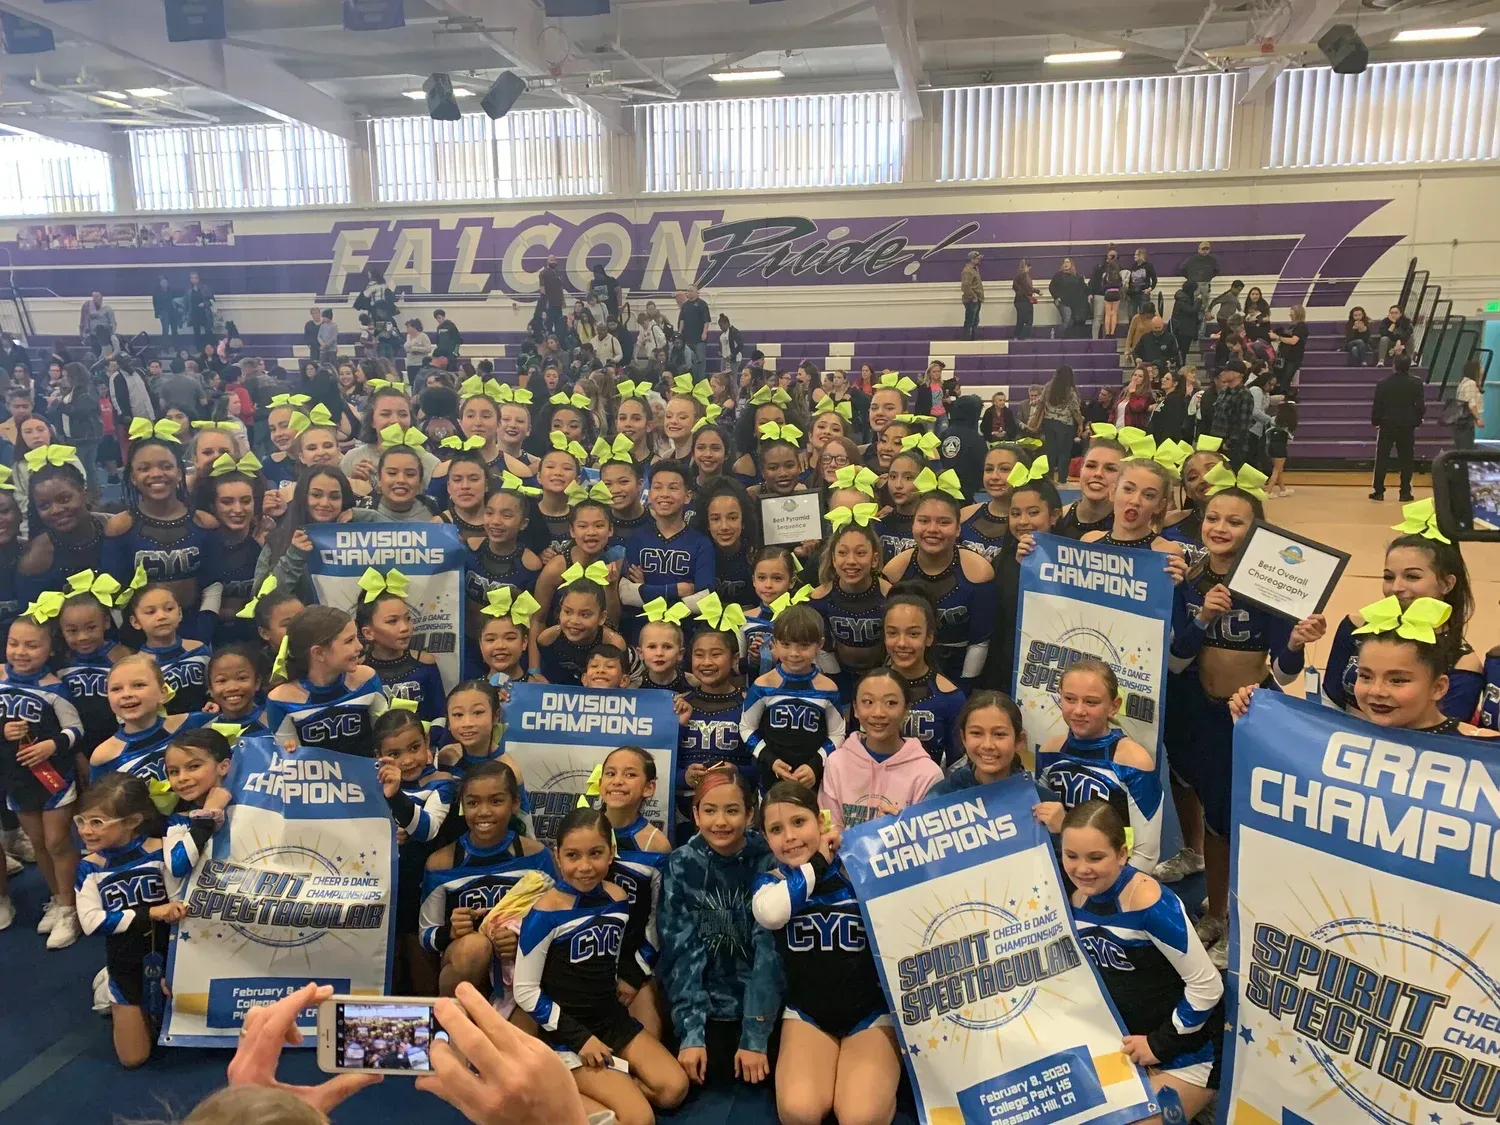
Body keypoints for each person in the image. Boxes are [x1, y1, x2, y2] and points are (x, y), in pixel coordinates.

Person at [1063, 800, 1223, 1122]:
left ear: (1122, 854)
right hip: (1127, 1043)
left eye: (1096, 857)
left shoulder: (1152, 904)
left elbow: (1207, 986)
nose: (1082, 868)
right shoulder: (1075, 897)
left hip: (1188, 1051)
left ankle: (1208, 1101)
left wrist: (1158, 1045)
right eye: (1072, 856)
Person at [753, 779, 900, 1125]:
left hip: (870, 1014)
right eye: (776, 829)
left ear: (821, 821)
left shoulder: (858, 868)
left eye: (799, 822)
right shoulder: (769, 882)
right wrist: (818, 861)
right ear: (765, 838)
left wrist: (900, 832)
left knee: (860, 1117)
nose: (789, 836)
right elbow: (773, 914)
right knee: (799, 1112)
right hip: (808, 1015)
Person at [1370, 354, 1424, 502]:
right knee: (1406, 459)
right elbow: (1420, 406)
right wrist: (1417, 421)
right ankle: (1405, 492)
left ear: (1394, 365)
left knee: (1382, 458)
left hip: (1387, 424)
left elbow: (1378, 405)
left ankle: (1379, 491)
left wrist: (1376, 421)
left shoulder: (1383, 383)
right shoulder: (1416, 383)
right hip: (1407, 425)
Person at [46, 361, 103, 500]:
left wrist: (56, 404)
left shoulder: (87, 389)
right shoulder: (73, 389)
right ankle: (89, 496)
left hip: (84, 437)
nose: (63, 378)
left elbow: (79, 412)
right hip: (74, 435)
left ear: (74, 376)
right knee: (87, 468)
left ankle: (89, 497)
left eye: (66, 375)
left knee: (83, 469)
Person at [1033, 365, 1083, 483]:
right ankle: (1061, 479)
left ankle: (1049, 478)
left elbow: (1041, 402)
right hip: (1065, 424)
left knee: (1051, 451)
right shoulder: (1070, 390)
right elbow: (1075, 409)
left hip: (1049, 422)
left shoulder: (1048, 386)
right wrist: (1080, 423)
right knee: (1064, 453)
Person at [1208, 361, 1255, 467]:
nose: (1223, 373)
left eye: (1227, 370)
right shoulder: (1223, 392)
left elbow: (1243, 425)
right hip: (1216, 444)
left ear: (1237, 374)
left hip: (1232, 448)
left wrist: (1228, 444)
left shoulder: (1244, 395)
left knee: (1230, 479)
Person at [1049, 257, 1090, 339]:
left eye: (1067, 262)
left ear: (1071, 264)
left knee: (1071, 321)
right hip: (1062, 302)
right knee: (1067, 319)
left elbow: (1084, 288)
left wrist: (1090, 293)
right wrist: (1056, 297)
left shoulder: (1077, 276)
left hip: (1073, 303)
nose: (1066, 264)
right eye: (1064, 262)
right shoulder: (1058, 275)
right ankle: (1056, 337)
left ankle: (1065, 339)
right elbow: (1051, 287)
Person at [677, 286, 710, 379]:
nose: (689, 292)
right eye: (688, 291)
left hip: (699, 339)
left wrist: (704, 333)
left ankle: (701, 380)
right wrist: (680, 332)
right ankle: (693, 380)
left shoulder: (702, 304)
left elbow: (706, 321)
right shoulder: (685, 305)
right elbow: (682, 320)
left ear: (697, 293)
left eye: (691, 291)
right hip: (687, 339)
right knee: (690, 361)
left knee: (700, 360)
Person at [1169, 278, 1205, 364]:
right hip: (1182, 330)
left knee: (1183, 352)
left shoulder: (1186, 298)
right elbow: (1191, 311)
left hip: (1186, 329)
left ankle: (1180, 367)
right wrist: (1199, 301)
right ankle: (1180, 368)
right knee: (1182, 352)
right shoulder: (1182, 299)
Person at [1452, 357, 1483, 450]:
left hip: (1461, 422)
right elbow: (1471, 402)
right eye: (1480, 367)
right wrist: (1478, 418)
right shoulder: (1471, 383)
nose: (1482, 370)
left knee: (1461, 446)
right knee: (1466, 447)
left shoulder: (1464, 382)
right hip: (1466, 421)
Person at [185, 272, 215, 349]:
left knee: (208, 330)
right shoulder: (189, 290)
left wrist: (204, 304)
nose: (193, 280)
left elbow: (212, 300)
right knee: (196, 332)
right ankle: (199, 348)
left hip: (204, 313)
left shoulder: (205, 288)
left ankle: (211, 347)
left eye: (195, 278)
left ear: (198, 278)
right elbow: (186, 302)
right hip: (194, 313)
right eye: (192, 278)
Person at [960, 250, 983, 340]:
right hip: (971, 300)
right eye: (977, 259)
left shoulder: (974, 270)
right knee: (970, 320)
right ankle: (967, 338)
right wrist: (973, 297)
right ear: (972, 259)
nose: (979, 260)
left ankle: (972, 338)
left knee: (975, 320)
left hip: (975, 299)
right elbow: (965, 286)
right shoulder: (968, 271)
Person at [1011, 258, 1036, 340]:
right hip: (1023, 300)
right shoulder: (1023, 275)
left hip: (1021, 300)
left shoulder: (1019, 275)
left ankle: (1018, 336)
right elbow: (1027, 287)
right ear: (1025, 266)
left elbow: (1016, 287)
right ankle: (1024, 336)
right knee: (1027, 319)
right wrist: (1036, 291)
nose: (1029, 269)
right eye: (1028, 267)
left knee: (1021, 319)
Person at [152, 276, 180, 344]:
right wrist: (158, 314)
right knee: (165, 331)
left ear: (168, 283)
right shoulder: (156, 292)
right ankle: (165, 347)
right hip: (163, 313)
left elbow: (176, 301)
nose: (164, 284)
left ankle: (176, 346)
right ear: (160, 283)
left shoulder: (172, 290)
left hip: (172, 313)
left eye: (165, 282)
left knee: (174, 330)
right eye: (162, 282)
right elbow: (155, 303)